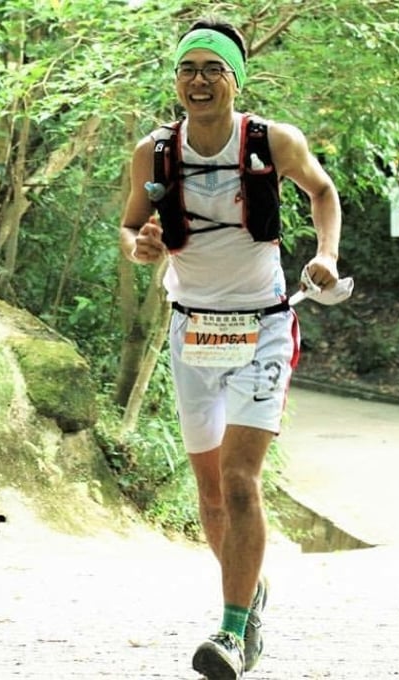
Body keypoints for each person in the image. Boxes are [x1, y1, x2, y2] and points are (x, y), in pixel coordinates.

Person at [118, 17, 341, 680]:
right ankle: (251, 589)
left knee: (241, 479)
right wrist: (142, 246)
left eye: (214, 69)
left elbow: (322, 191)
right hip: (193, 330)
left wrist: (326, 255)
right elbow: (130, 227)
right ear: (176, 81)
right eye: (188, 69)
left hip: (264, 325)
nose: (199, 80)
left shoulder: (273, 142)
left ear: (235, 80)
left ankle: (235, 633)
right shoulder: (154, 153)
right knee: (212, 494)